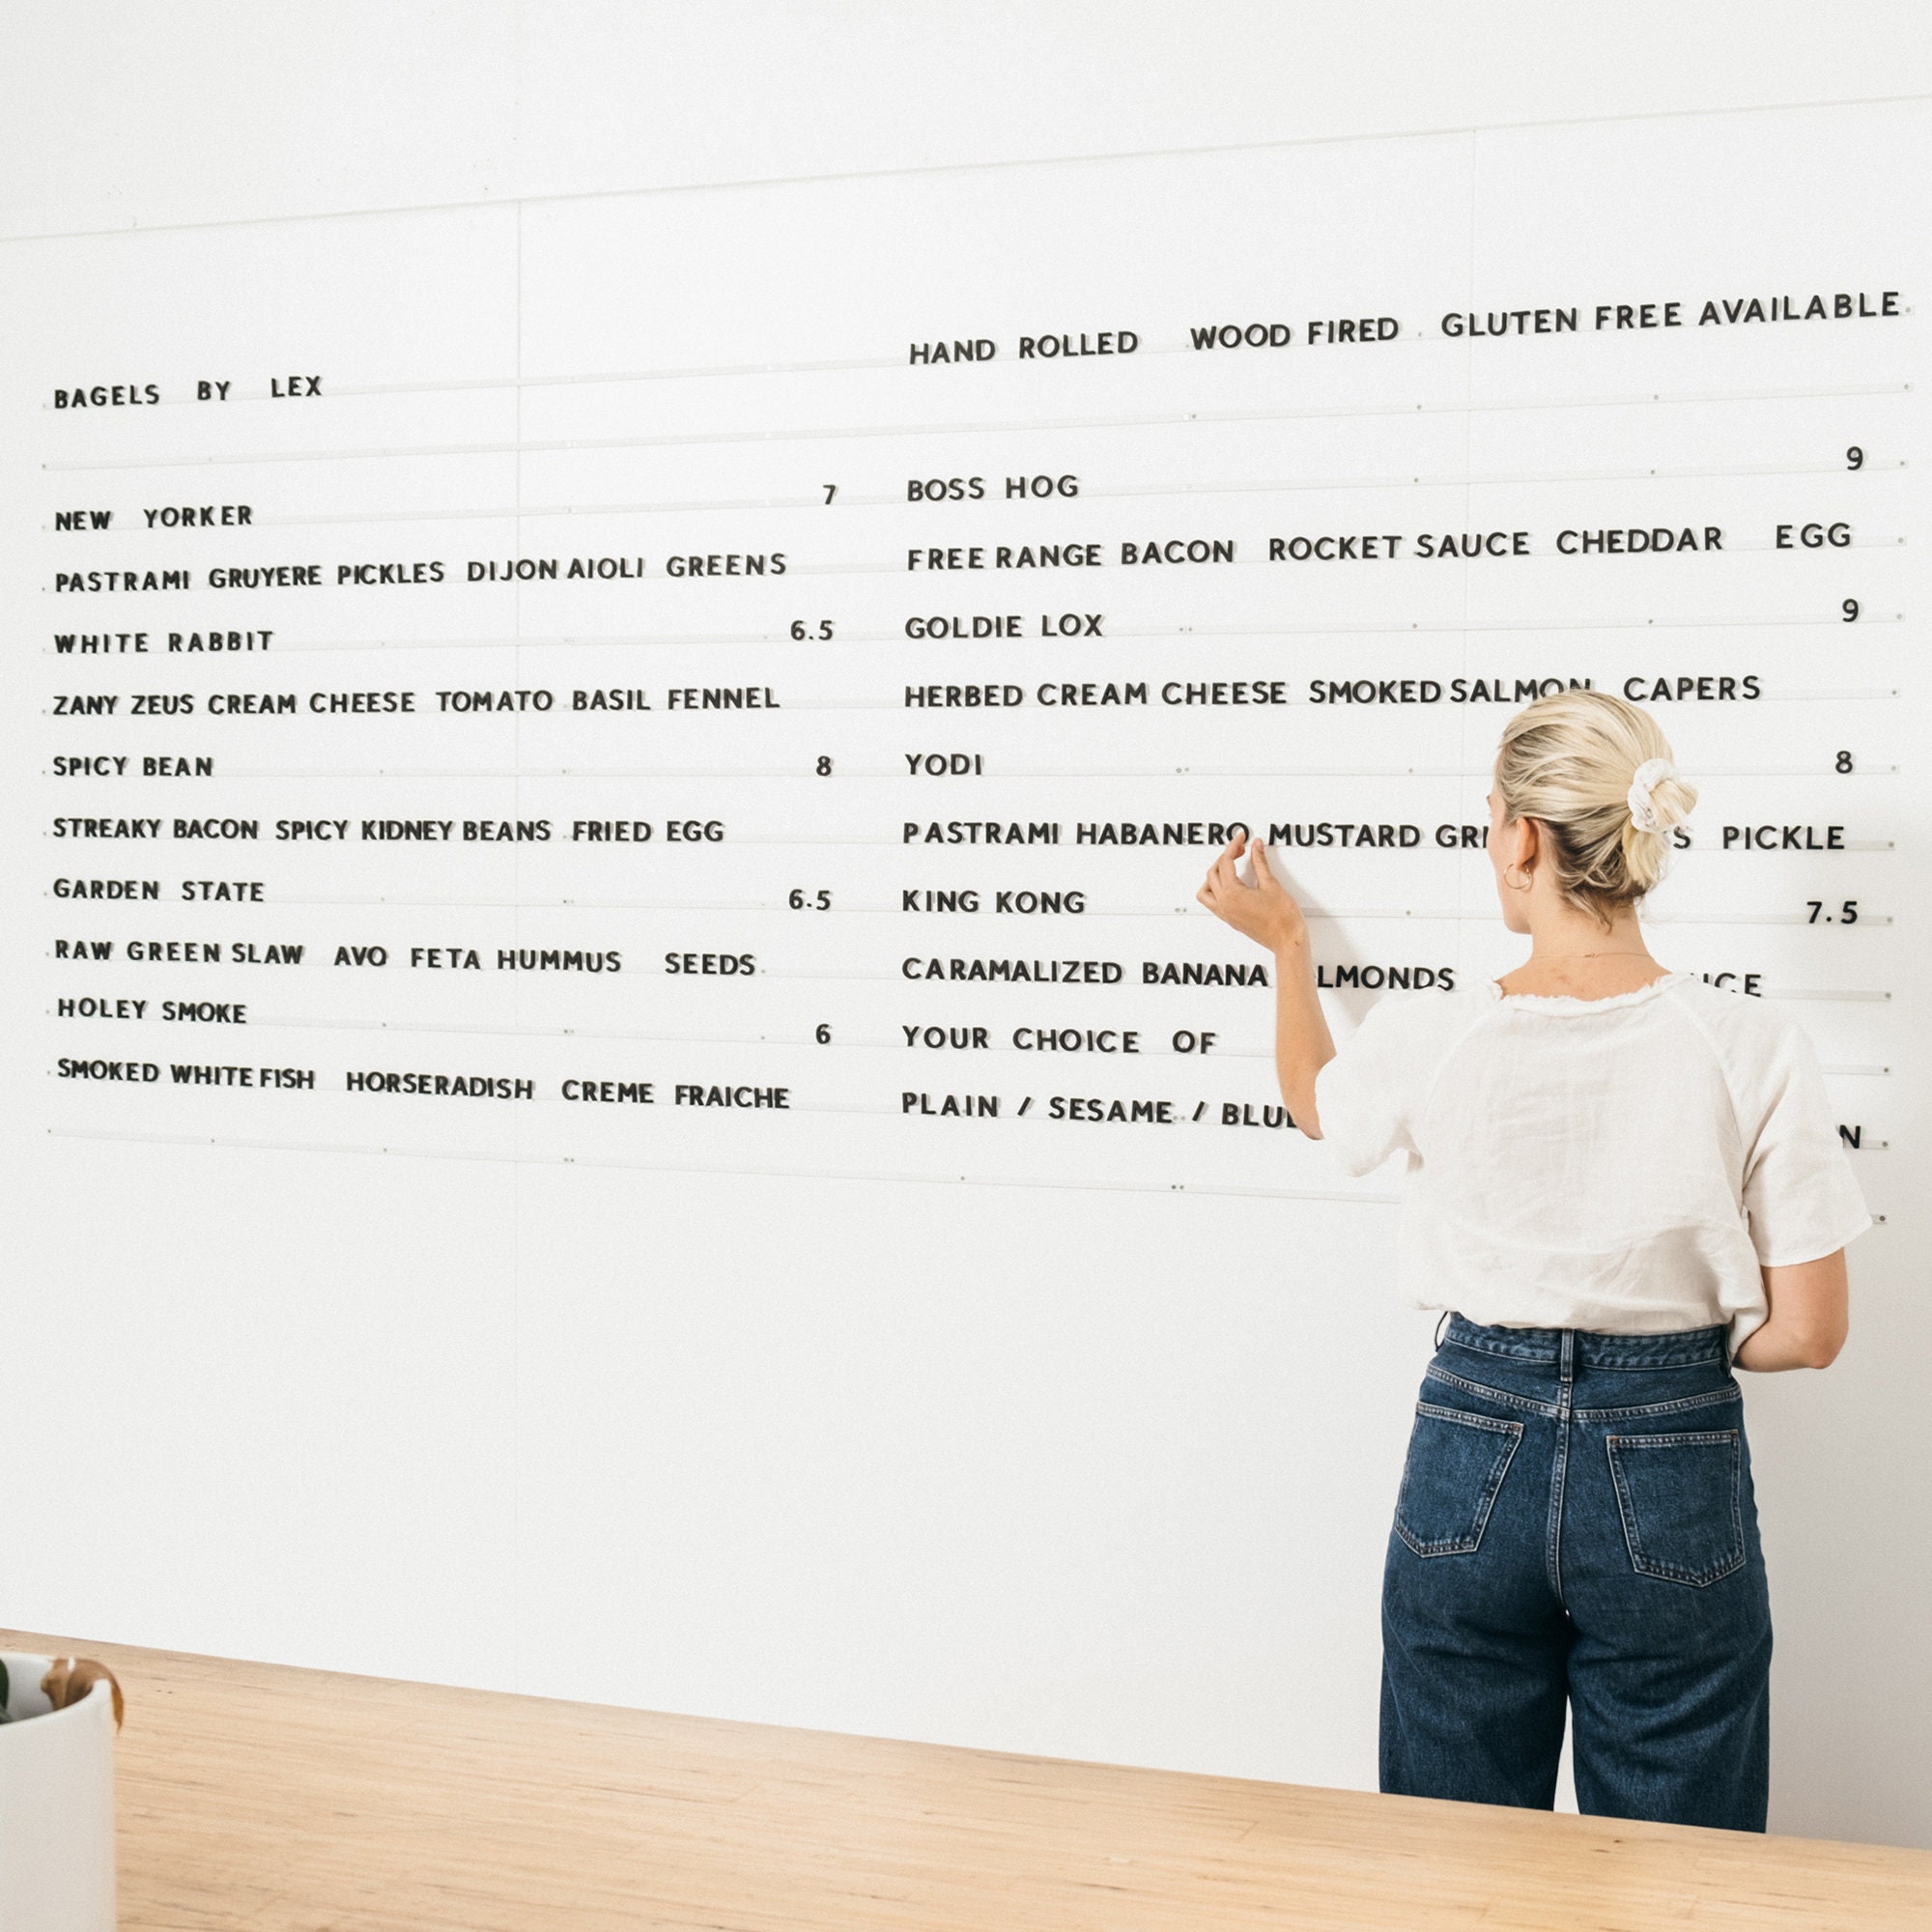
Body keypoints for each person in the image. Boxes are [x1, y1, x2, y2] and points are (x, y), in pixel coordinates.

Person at [1196, 688, 1868, 1832]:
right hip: (1672, 1450)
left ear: (1519, 836)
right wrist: (1664, 1358)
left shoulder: (1438, 1029)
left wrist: (1287, 944)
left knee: (1451, 1859)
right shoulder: (1746, 1041)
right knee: (1678, 1874)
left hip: (1471, 1440)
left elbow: (1318, 1105)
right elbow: (1805, 1330)